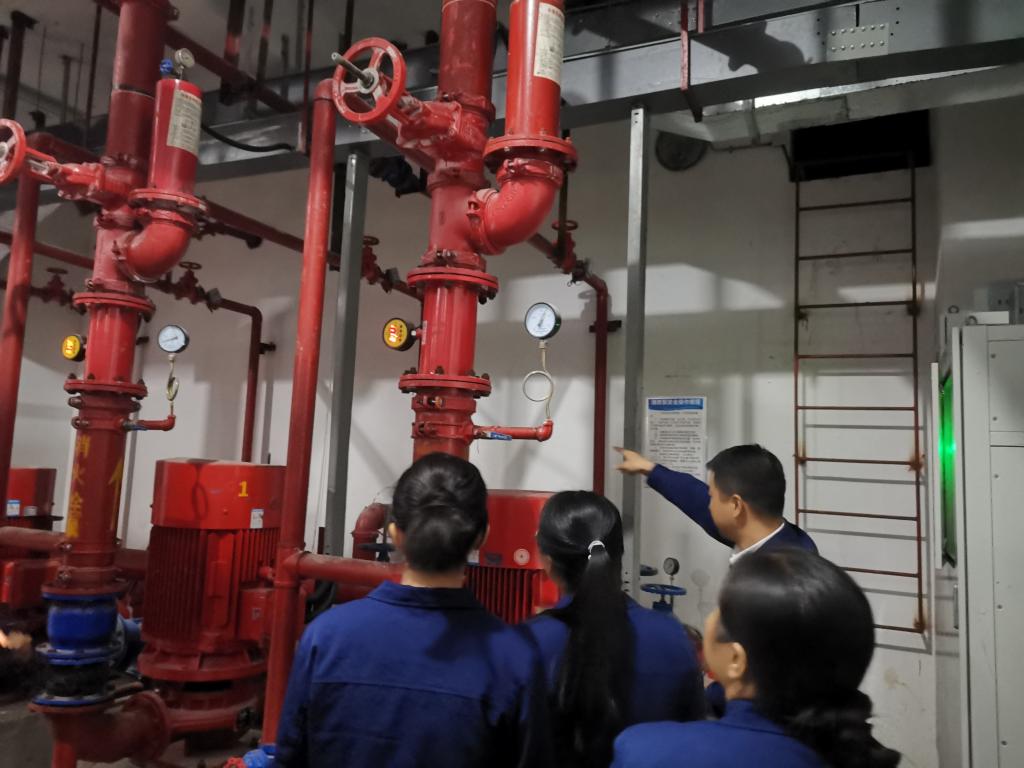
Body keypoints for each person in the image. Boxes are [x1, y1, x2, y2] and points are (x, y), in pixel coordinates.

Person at [275, 453, 551, 768]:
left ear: (394, 534)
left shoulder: (324, 638)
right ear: (482, 536)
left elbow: (290, 757)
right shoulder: (515, 658)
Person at [611, 549, 901, 768]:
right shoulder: (853, 753)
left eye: (720, 609)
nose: (710, 619)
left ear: (736, 660)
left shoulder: (645, 752)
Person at [522, 491, 705, 767]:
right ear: (618, 554)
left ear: (546, 559)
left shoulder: (529, 645)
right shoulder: (672, 638)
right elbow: (691, 737)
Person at [616, 443, 816, 563]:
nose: (708, 504)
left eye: (712, 496)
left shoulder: (784, 578)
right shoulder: (769, 536)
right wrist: (648, 468)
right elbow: (694, 496)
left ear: (736, 506)